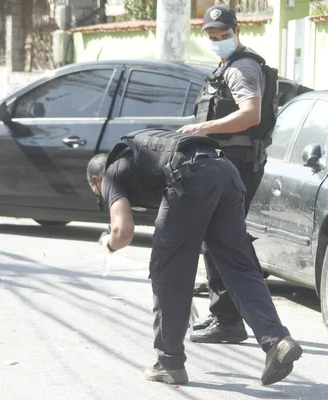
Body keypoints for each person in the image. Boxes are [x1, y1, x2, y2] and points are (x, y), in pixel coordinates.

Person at [86, 128, 302, 385]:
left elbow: (122, 232)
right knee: (239, 268)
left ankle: (169, 363)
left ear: (97, 180)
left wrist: (107, 245)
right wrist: (179, 295)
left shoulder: (111, 174)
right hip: (227, 171)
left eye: (98, 194)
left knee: (168, 274)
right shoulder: (142, 161)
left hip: (192, 176)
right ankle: (277, 341)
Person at [177, 4, 278, 344]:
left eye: (224, 35)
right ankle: (224, 315)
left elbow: (250, 115)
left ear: (238, 30)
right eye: (212, 36)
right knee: (216, 237)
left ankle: (232, 319)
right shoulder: (226, 66)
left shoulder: (242, 68)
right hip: (227, 161)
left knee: (224, 239)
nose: (218, 40)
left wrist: (201, 127)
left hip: (237, 163)